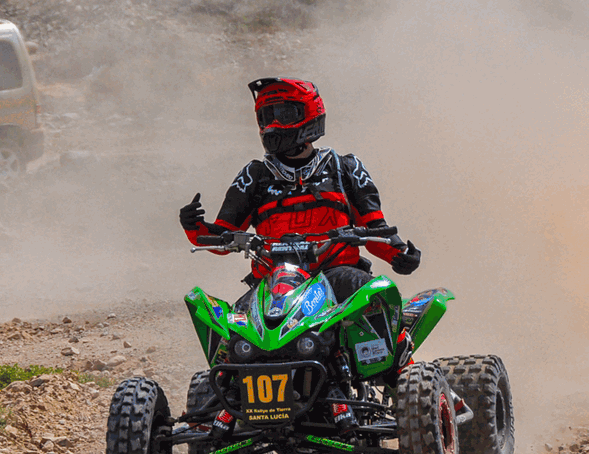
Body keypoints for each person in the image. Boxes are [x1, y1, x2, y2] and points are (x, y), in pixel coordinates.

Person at [179, 77, 421, 431]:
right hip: (276, 282)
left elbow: (374, 226)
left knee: (373, 297)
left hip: (336, 275)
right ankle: (220, 406)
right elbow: (222, 235)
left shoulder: (344, 167)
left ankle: (412, 385)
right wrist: (194, 227)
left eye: (283, 114)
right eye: (266, 116)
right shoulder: (254, 175)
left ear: (309, 116)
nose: (272, 125)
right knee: (234, 329)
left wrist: (399, 253)